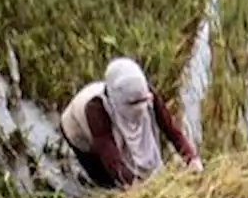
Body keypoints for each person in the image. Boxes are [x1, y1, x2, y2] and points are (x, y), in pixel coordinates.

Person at [60, 57, 203, 189]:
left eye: (143, 102)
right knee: (106, 180)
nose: (140, 109)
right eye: (133, 104)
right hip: (78, 132)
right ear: (118, 100)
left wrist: (191, 158)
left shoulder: (146, 94)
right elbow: (110, 157)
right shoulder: (96, 110)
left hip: (114, 116)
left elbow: (170, 129)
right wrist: (136, 187)